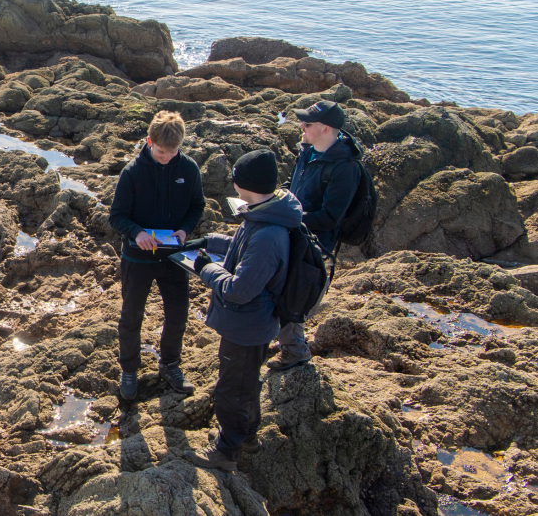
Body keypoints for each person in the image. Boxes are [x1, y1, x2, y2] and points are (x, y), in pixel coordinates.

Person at [183, 150, 304, 471]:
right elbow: (242, 247)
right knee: (247, 383)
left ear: (245, 184)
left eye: (235, 177)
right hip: (253, 323)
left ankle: (227, 452)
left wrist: (206, 269)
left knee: (232, 390)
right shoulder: (266, 213)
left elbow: (238, 290)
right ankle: (248, 436)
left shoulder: (268, 234)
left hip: (248, 326)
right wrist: (208, 242)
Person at [108, 111, 205, 400]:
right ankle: (129, 369)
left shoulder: (188, 169)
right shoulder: (132, 172)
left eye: (172, 152)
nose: (166, 157)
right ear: (150, 141)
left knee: (178, 314)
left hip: (173, 256)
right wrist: (136, 232)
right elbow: (117, 216)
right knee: (131, 316)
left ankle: (170, 364)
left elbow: (197, 206)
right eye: (161, 152)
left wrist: (185, 230)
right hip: (137, 257)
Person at [271, 100, 363, 370]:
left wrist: (288, 216)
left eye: (307, 123)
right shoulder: (308, 151)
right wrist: (272, 201)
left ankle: (296, 351)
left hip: (314, 244)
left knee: (294, 295)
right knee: (277, 287)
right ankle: (284, 340)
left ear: (325, 128)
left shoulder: (345, 168)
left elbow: (330, 217)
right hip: (292, 231)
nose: (301, 126)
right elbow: (292, 186)